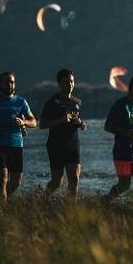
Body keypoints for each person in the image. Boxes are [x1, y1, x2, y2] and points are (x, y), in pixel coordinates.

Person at [0, 72, 37, 201]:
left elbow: (33, 121)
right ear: (0, 84)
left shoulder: (21, 101)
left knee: (16, 182)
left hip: (16, 144)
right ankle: (1, 209)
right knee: (3, 177)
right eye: (6, 82)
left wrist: (24, 122)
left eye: (12, 82)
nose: (9, 84)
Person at [39, 69, 86, 199]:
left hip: (73, 143)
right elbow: (42, 124)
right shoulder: (52, 102)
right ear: (59, 84)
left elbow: (77, 120)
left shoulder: (77, 102)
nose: (70, 84)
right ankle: (42, 199)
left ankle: (72, 209)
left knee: (74, 179)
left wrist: (81, 124)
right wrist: (60, 120)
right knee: (57, 182)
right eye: (66, 82)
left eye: (72, 81)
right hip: (56, 145)